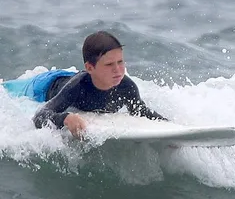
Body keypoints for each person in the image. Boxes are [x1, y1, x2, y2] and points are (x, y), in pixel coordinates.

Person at [2, 31, 167, 137]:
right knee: (8, 90)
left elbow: (140, 111)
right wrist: (65, 118)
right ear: (90, 67)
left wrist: (167, 126)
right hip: (44, 86)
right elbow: (39, 116)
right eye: (109, 65)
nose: (118, 70)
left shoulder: (126, 87)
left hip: (71, 76)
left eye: (120, 62)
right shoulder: (77, 88)